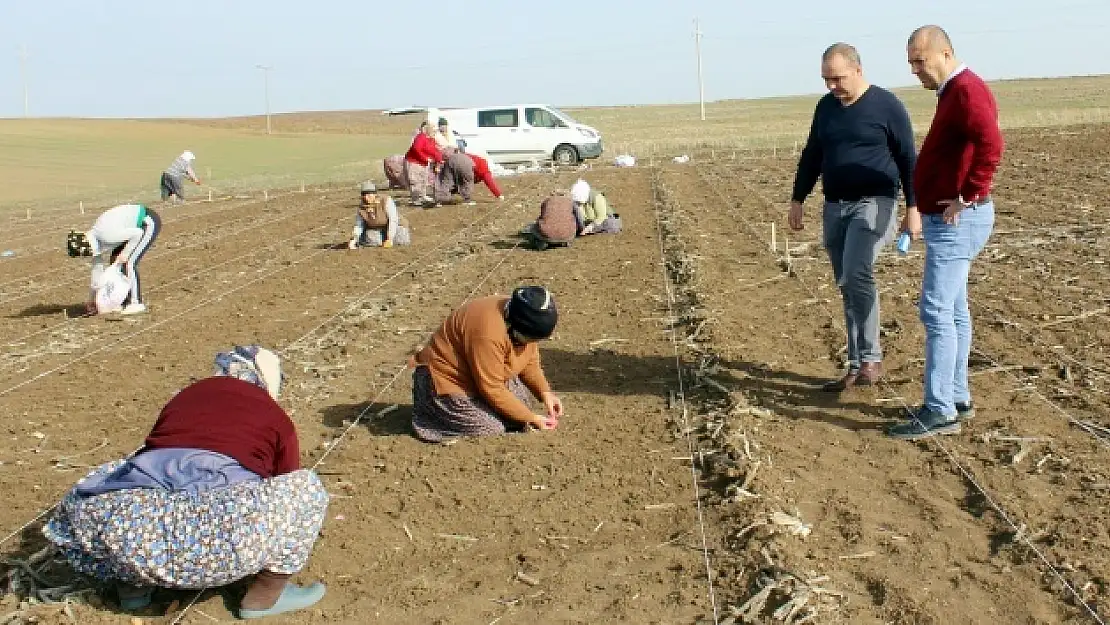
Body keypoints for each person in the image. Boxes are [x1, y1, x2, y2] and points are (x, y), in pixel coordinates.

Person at [42, 346, 330, 619]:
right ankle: (265, 595)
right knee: (306, 488)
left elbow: (157, 447)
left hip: (131, 538)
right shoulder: (272, 412)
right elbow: (286, 476)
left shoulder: (186, 395)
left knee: (120, 474)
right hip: (222, 544)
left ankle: (133, 589)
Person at [888, 26, 1003, 440]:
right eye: (911, 63)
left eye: (920, 60)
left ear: (946, 52)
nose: (915, 70)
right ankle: (957, 397)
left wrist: (969, 195)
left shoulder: (967, 91)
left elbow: (991, 145)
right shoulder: (954, 92)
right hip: (947, 219)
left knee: (935, 310)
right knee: (953, 310)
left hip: (957, 221)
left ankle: (939, 410)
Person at [789, 43, 917, 392]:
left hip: (875, 202)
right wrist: (798, 198)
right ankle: (856, 363)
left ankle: (872, 357)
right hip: (835, 206)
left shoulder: (886, 105)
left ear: (858, 70)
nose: (831, 86)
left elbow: (908, 158)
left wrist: (913, 208)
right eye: (826, 80)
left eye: (838, 78)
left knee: (857, 271)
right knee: (846, 281)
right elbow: (813, 154)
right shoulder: (826, 108)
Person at [410, 286, 564, 442]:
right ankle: (430, 415)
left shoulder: (519, 315)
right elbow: (492, 388)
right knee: (491, 428)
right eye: (529, 338)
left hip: (478, 375)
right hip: (445, 381)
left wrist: (545, 393)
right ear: (514, 326)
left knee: (520, 408)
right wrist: (531, 418)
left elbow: (528, 360)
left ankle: (481, 408)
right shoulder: (488, 333)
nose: (531, 343)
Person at [68, 203, 162, 315]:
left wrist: (125, 254)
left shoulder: (105, 236)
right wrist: (91, 299)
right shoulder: (93, 240)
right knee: (115, 261)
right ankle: (120, 301)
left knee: (128, 263)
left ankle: (136, 303)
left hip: (147, 222)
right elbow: (97, 274)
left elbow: (138, 234)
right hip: (131, 229)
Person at [348, 181, 411, 249]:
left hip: (394, 226)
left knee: (401, 241)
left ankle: (387, 238)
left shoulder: (386, 200)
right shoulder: (361, 208)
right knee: (373, 241)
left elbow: (393, 220)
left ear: (375, 194)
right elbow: (359, 225)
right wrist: (354, 240)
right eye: (364, 195)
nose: (367, 197)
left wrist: (390, 238)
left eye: (369, 195)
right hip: (376, 228)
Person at [404, 121, 444, 206]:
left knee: (423, 179)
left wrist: (439, 161)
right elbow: (416, 149)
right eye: (433, 129)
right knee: (415, 180)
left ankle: (422, 196)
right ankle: (416, 199)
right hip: (414, 162)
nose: (434, 131)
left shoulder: (431, 140)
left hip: (424, 163)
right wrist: (425, 158)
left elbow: (435, 151)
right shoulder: (420, 137)